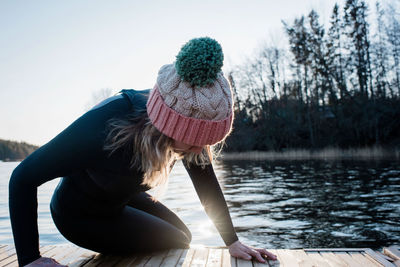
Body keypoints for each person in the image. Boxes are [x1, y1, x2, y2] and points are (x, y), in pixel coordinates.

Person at [9, 37, 277, 267]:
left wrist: (232, 242)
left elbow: (205, 180)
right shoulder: (106, 125)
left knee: (182, 236)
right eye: (195, 143)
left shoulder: (182, 112)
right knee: (177, 240)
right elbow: (21, 178)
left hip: (121, 198)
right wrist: (30, 258)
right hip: (79, 216)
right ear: (168, 128)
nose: (200, 151)